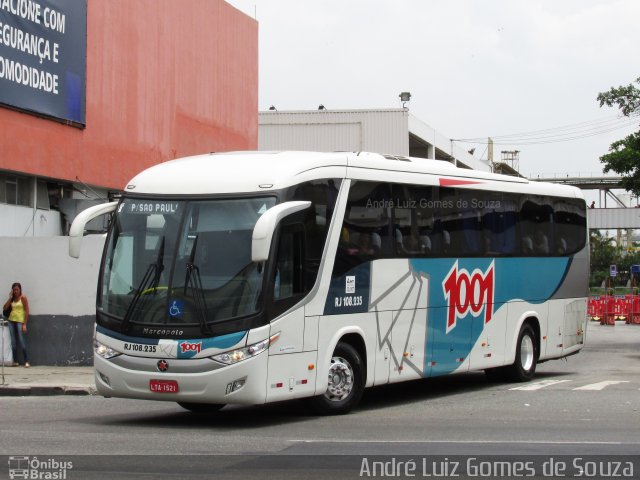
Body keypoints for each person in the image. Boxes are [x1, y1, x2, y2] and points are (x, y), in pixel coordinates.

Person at [3, 282, 30, 367]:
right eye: (14, 290)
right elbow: (5, 308)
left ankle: (26, 361)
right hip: (11, 320)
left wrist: (24, 324)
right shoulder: (12, 298)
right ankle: (15, 361)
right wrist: (10, 297)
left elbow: (26, 311)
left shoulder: (23, 297)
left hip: (19, 321)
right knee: (13, 341)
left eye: (17, 289)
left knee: (21, 340)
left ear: (20, 289)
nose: (16, 291)